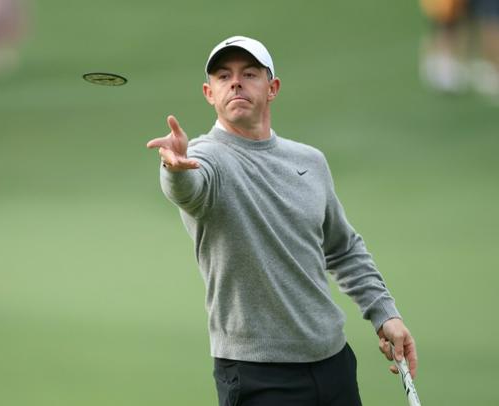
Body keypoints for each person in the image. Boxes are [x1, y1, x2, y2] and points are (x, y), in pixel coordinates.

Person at [146, 35, 418, 406]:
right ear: (209, 93)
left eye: (249, 74)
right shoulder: (204, 157)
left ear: (272, 88)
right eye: (224, 76)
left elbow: (343, 249)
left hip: (333, 363)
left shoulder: (310, 161)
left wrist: (385, 314)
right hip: (257, 374)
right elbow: (189, 189)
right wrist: (174, 169)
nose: (236, 83)